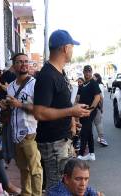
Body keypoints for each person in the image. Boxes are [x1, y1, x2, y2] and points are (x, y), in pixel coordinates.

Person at [33, 29, 90, 190]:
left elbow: (61, 104)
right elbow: (39, 112)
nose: (73, 51)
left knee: (66, 185)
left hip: (62, 140)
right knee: (57, 187)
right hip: (53, 143)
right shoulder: (47, 76)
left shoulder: (60, 72)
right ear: (65, 48)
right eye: (72, 47)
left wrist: (72, 119)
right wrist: (71, 112)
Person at [6, 53, 43, 196]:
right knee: (23, 168)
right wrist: (6, 106)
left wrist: (19, 104)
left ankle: (37, 194)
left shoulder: (35, 84)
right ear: (14, 65)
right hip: (16, 134)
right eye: (20, 62)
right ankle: (26, 193)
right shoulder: (10, 87)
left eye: (26, 61)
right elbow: (11, 108)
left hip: (29, 132)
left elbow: (41, 109)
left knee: (35, 169)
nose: (23, 64)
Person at [76, 65, 101, 161]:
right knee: (89, 132)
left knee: (84, 132)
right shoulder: (82, 85)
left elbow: (97, 97)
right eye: (86, 71)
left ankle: (81, 154)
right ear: (83, 72)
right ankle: (92, 153)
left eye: (89, 71)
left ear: (91, 72)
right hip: (82, 111)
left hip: (90, 111)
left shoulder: (93, 83)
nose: (87, 73)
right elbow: (77, 98)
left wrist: (90, 110)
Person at [92, 73, 108, 146]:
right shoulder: (96, 85)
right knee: (98, 123)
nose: (93, 78)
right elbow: (101, 97)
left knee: (97, 123)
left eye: (94, 77)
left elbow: (101, 97)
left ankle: (100, 138)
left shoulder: (98, 85)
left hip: (95, 106)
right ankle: (100, 138)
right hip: (95, 106)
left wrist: (101, 107)